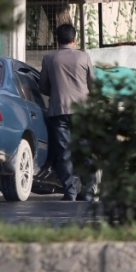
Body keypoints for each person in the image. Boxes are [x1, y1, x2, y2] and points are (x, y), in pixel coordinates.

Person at [39, 23, 96, 201]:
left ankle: (70, 191)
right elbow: (93, 84)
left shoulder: (49, 58)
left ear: (57, 40)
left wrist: (56, 92)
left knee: (63, 152)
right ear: (74, 39)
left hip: (59, 111)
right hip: (82, 111)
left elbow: (43, 86)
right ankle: (87, 192)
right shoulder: (84, 57)